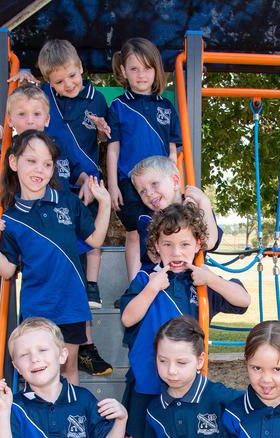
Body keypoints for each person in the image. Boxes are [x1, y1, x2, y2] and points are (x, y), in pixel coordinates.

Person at [0, 80, 113, 377]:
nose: (39, 170)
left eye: (46, 165)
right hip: (37, 307)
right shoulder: (11, 217)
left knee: (68, 368)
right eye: (31, 162)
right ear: (14, 163)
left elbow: (95, 238)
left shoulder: (67, 202)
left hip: (71, 303)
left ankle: (72, 420)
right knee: (37, 372)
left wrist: (105, 203)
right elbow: (7, 271)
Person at [119, 202, 249, 438]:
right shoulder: (147, 279)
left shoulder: (201, 283)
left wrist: (213, 279)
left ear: (199, 245)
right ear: (155, 247)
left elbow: (243, 300)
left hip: (190, 389)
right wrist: (151, 288)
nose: (176, 252)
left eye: (185, 244)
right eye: (167, 245)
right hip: (150, 382)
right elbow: (128, 318)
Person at [36, 39, 112, 317]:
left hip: (88, 175)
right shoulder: (43, 95)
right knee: (60, 230)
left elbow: (104, 138)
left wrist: (103, 131)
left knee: (92, 229)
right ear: (48, 82)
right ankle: (65, 280)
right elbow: (27, 95)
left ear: (81, 67)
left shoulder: (96, 98)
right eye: (59, 81)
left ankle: (91, 284)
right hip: (56, 176)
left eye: (72, 75)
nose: (68, 84)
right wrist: (21, 75)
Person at [106, 37, 181, 279]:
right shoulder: (118, 106)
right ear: (123, 71)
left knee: (165, 231)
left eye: (147, 68)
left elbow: (172, 150)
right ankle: (135, 283)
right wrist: (113, 185)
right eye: (134, 69)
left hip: (160, 184)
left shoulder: (166, 106)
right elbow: (113, 149)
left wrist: (174, 183)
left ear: (156, 70)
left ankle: (165, 278)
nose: (141, 75)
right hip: (130, 183)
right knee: (135, 232)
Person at [129, 155, 222, 267]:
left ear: (175, 181)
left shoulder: (198, 208)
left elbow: (209, 243)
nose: (149, 193)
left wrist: (204, 203)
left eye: (154, 184)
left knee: (234, 284)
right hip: (163, 278)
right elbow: (155, 258)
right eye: (142, 191)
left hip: (193, 276)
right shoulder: (147, 220)